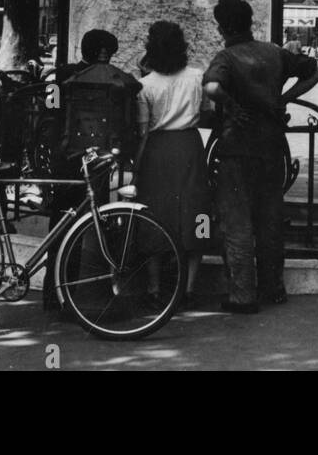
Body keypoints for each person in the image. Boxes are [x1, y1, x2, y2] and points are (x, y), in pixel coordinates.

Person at [203, 0, 318, 313]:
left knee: (238, 221)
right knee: (270, 219)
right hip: (272, 146)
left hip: (236, 147)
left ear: (223, 27)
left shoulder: (226, 57)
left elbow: (212, 89)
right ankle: (274, 287)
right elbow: (315, 72)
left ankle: (243, 295)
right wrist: (285, 98)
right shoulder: (274, 53)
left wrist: (231, 104)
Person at [45, 28, 141, 310]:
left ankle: (58, 296)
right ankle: (69, 295)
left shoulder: (61, 76)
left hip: (67, 160)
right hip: (91, 162)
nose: (106, 56)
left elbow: (49, 109)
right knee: (87, 226)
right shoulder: (110, 79)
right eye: (103, 50)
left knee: (64, 226)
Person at [134, 21, 212, 306]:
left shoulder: (145, 85)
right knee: (195, 213)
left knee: (153, 216)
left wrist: (137, 169)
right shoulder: (196, 77)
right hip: (190, 147)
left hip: (157, 151)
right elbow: (206, 113)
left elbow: (143, 131)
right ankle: (189, 289)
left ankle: (155, 289)